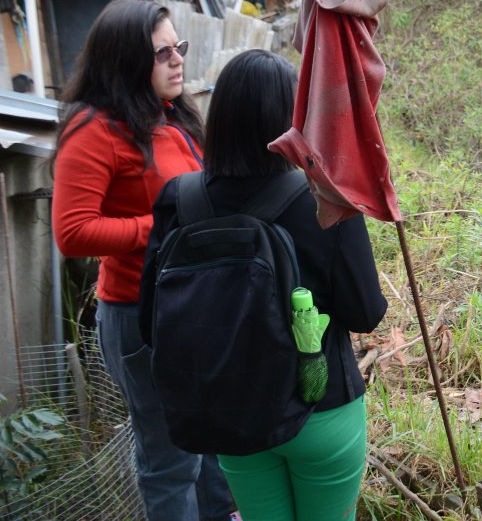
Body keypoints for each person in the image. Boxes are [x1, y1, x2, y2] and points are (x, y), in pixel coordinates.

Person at [141, 49, 387, 521]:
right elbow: (365, 313)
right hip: (322, 406)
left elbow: (154, 321)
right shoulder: (324, 199)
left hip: (233, 414)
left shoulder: (179, 199)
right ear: (292, 117)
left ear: (221, 115)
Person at [51, 0, 236, 519]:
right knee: (171, 460)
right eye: (161, 53)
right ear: (126, 61)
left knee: (213, 448)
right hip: (141, 317)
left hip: (192, 307)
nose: (177, 60)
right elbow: (72, 231)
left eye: (178, 47)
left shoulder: (170, 115)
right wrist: (160, 229)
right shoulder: (95, 128)